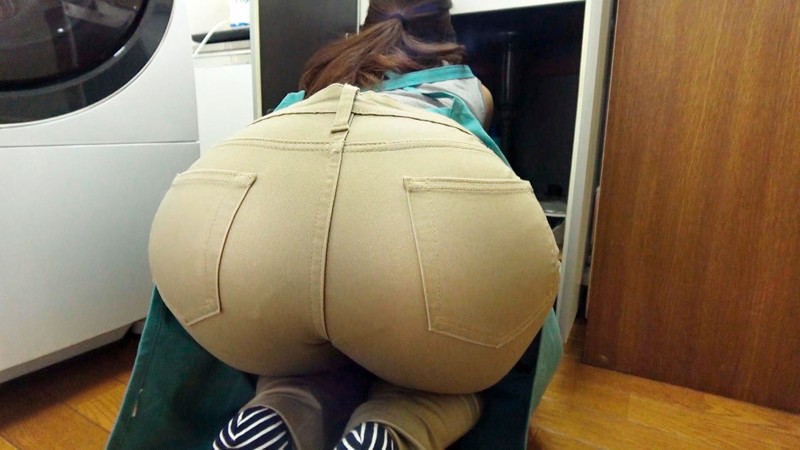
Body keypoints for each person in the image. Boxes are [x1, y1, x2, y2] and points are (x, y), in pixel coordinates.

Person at [147, 1, 559, 449]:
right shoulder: (469, 88)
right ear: (445, 29)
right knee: (446, 374)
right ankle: (397, 426)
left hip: (230, 227)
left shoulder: (323, 77)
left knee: (303, 358)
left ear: (367, 25)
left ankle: (277, 412)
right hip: (411, 252)